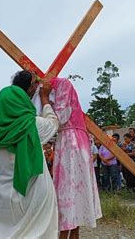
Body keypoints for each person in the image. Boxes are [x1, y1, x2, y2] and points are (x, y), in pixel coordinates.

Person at [0, 71, 59, 238]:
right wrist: (45, 99)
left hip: (2, 193)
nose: (34, 90)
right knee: (36, 230)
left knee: (2, 230)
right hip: (33, 190)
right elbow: (54, 123)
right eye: (33, 86)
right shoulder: (33, 125)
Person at [50, 77, 102, 238]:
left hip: (71, 142)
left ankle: (66, 235)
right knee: (71, 190)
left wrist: (45, 99)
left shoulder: (62, 84)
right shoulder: (54, 87)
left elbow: (61, 116)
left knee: (70, 191)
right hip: (70, 140)